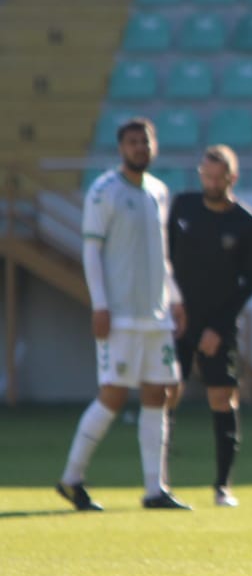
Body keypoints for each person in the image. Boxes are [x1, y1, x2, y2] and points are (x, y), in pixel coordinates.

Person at [56, 117, 190, 511]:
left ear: (154, 146)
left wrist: (175, 296)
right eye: (133, 142)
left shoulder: (158, 191)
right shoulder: (104, 191)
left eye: (145, 142)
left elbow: (161, 254)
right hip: (120, 315)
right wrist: (100, 304)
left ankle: (154, 488)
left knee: (158, 394)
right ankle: (71, 478)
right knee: (113, 396)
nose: (139, 148)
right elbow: (91, 250)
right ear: (121, 148)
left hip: (156, 314)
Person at [168, 145, 252, 507]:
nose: (210, 183)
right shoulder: (182, 207)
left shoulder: (247, 224)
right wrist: (171, 305)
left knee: (222, 397)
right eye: (205, 176)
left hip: (217, 324)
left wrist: (220, 327)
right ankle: (158, 482)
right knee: (165, 394)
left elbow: (249, 282)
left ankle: (223, 486)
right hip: (177, 319)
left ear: (231, 178)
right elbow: (164, 260)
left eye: (217, 177)